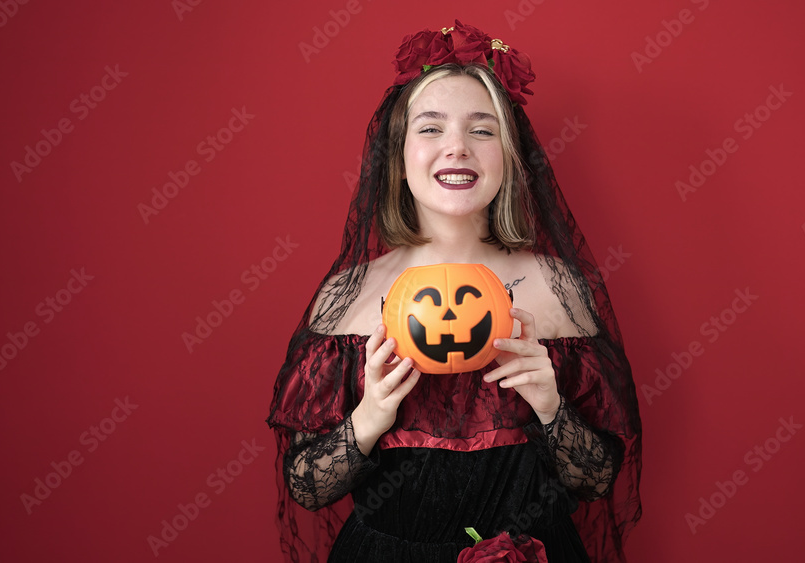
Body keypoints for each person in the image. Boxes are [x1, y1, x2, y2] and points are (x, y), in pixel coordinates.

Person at [267, 21, 642, 562]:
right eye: (431, 128)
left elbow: (596, 481)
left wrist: (550, 406)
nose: (457, 148)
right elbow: (307, 487)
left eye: (483, 130)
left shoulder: (558, 286)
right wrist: (371, 414)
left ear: (510, 157)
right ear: (396, 158)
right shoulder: (348, 292)